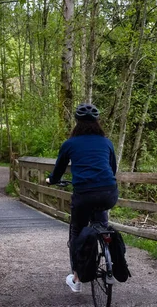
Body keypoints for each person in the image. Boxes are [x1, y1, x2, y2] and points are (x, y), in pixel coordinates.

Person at [46, 103, 118, 293]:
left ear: (77, 122)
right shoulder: (107, 143)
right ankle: (108, 253)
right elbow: (113, 169)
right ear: (97, 122)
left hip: (84, 195)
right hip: (108, 193)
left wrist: (51, 180)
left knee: (76, 231)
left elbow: (58, 170)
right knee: (102, 223)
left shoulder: (70, 144)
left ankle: (77, 279)